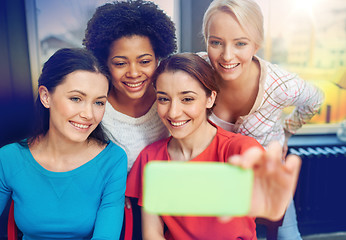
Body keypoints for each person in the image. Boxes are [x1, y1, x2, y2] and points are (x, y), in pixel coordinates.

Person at [125, 53, 301, 240]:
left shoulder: (240, 149)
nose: (174, 113)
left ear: (210, 98)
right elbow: (152, 234)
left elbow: (268, 197)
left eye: (187, 99)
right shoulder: (151, 158)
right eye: (163, 99)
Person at [199, 0, 324, 238]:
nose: (227, 56)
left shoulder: (281, 85)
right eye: (216, 42)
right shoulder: (196, 70)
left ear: (256, 44)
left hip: (266, 180)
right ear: (206, 40)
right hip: (215, 183)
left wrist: (287, 132)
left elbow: (315, 98)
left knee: (288, 236)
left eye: (240, 43)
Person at [0, 48, 127, 239]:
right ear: (46, 97)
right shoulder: (9, 158)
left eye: (99, 102)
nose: (89, 114)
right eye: (76, 98)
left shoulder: (113, 159)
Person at [83, 0, 177, 173]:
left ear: (158, 58)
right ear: (105, 63)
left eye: (145, 61)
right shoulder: (94, 109)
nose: (134, 73)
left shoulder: (172, 100)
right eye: (120, 63)